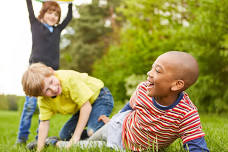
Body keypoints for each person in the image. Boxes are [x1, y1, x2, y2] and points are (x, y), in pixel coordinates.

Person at [55, 51, 209, 152]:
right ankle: (72, 140)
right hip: (117, 127)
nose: (149, 73)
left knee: (87, 147)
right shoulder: (143, 89)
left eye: (157, 70)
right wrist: (113, 120)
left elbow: (197, 147)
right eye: (152, 68)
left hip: (126, 146)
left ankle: (56, 144)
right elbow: (129, 107)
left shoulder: (186, 114)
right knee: (93, 138)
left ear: (177, 85)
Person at [21, 63, 114, 151]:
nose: (53, 88)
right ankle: (54, 142)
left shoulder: (68, 79)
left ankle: (112, 126)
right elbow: (44, 123)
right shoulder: (43, 100)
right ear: (40, 95)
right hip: (82, 107)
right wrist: (39, 149)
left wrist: (76, 137)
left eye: (51, 82)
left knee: (92, 131)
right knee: (65, 135)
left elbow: (86, 107)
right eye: (47, 90)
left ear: (51, 71)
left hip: (100, 98)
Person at [16, 0, 72, 145]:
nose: (53, 16)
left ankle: (38, 139)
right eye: (50, 12)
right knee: (30, 106)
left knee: (45, 108)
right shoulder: (36, 25)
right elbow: (29, 9)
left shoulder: (58, 30)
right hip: (36, 71)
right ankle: (21, 138)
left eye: (56, 14)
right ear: (43, 13)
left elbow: (69, 18)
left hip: (51, 73)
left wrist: (70, 3)